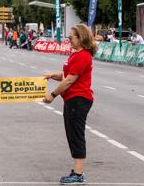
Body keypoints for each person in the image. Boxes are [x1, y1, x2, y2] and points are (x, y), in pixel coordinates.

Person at [43, 24, 97, 185]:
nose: (68, 40)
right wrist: (52, 75)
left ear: (81, 38)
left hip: (78, 99)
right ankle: (77, 172)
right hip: (73, 100)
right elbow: (66, 75)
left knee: (76, 135)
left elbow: (70, 80)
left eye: (71, 37)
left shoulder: (83, 56)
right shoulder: (76, 55)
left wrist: (52, 95)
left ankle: (79, 174)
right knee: (72, 135)